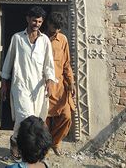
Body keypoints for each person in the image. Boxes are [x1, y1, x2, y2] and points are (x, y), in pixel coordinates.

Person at [0, 6, 56, 160]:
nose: (36, 24)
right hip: (21, 86)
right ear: (27, 19)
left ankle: (27, 149)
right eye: (34, 20)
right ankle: (17, 144)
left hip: (38, 88)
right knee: (25, 118)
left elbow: (49, 65)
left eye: (39, 21)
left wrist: (50, 82)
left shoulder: (44, 40)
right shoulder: (17, 38)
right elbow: (8, 62)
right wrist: (4, 83)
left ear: (42, 22)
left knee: (36, 121)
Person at [44, 12, 75, 156]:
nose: (56, 30)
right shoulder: (39, 38)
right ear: (48, 23)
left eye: (58, 28)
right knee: (43, 120)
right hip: (43, 87)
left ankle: (55, 142)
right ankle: (43, 146)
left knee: (66, 116)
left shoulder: (62, 40)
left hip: (60, 87)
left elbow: (67, 64)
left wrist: (71, 82)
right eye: (54, 26)